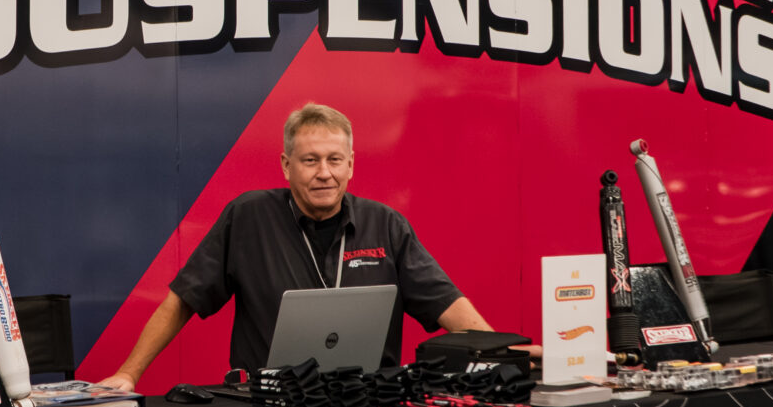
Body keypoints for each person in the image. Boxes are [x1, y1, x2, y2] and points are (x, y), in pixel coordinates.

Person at [95, 102, 493, 391]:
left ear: (351, 164)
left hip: (367, 403)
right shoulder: (248, 217)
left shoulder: (386, 225)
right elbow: (182, 300)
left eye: (334, 160)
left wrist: (503, 357)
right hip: (267, 406)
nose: (325, 173)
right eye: (310, 161)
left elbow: (448, 304)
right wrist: (129, 373)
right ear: (286, 165)